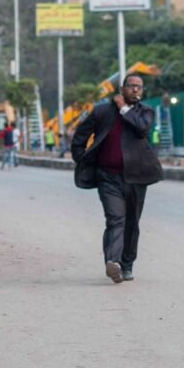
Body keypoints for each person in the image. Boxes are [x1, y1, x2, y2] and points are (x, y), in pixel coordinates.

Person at [71, 74, 163, 284]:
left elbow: (142, 129)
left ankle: (127, 264)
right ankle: (113, 262)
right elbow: (80, 137)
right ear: (122, 89)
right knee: (115, 219)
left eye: (139, 87)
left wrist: (124, 109)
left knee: (132, 223)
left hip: (137, 177)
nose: (135, 90)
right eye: (131, 86)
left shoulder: (145, 112)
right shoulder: (102, 111)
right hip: (108, 177)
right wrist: (83, 160)